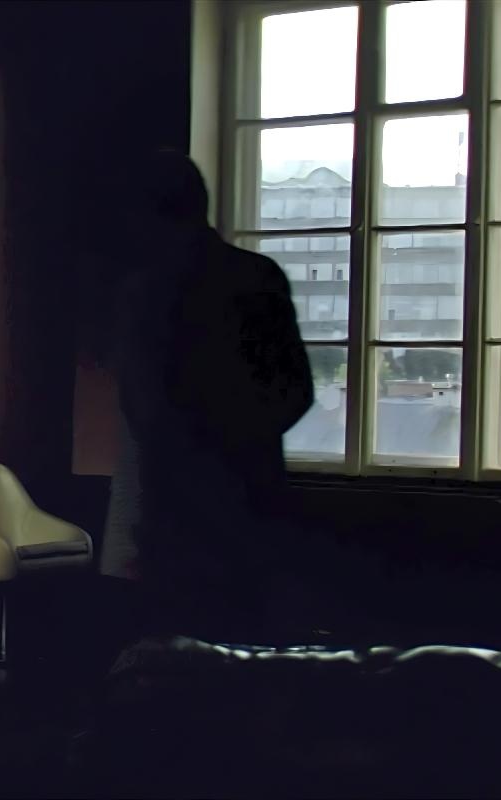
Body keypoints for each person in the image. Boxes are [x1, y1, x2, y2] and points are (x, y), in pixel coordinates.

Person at [100, 149, 314, 642]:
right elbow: (296, 391)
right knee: (244, 655)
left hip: (172, 520)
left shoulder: (143, 293)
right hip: (251, 508)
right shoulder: (257, 277)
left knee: (175, 660)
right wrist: (239, 442)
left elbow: (142, 411)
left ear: (147, 215)